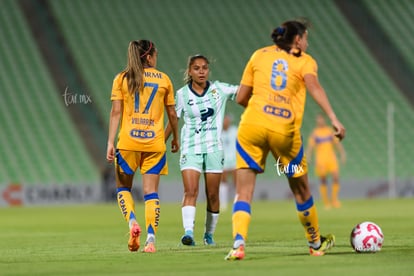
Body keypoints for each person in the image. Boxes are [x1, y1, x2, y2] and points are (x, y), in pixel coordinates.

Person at [225, 20, 346, 260]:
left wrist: (263, 108)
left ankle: (238, 243)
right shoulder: (304, 60)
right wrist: (333, 118)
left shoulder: (258, 55)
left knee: (244, 191)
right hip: (284, 132)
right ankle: (315, 243)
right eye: (306, 38)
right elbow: (314, 86)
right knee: (301, 189)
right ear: (298, 40)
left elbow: (240, 98)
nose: (307, 43)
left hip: (251, 127)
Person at [106, 40, 179, 253]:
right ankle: (150, 240)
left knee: (123, 189)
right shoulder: (164, 79)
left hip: (128, 143)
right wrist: (175, 138)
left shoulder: (121, 78)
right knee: (151, 193)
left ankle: (131, 222)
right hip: (155, 144)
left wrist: (111, 142)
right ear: (149, 57)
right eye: (155, 55)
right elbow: (173, 115)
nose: (156, 59)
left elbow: (116, 113)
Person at [166, 54, 238, 246]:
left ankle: (209, 235)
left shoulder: (219, 89)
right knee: (191, 190)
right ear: (189, 71)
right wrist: (165, 141)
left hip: (214, 148)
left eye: (204, 68)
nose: (201, 72)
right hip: (190, 147)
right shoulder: (182, 94)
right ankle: (188, 232)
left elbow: (242, 92)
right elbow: (174, 118)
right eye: (196, 68)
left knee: (213, 194)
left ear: (209, 70)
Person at [306, 114, 346, 209]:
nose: (320, 121)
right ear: (317, 121)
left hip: (331, 158)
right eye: (318, 120)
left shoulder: (329, 131)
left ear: (324, 120)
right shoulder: (315, 133)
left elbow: (337, 143)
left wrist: (342, 153)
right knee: (323, 180)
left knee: (336, 177)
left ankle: (334, 200)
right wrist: (308, 156)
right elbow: (310, 147)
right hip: (321, 160)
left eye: (321, 119)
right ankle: (326, 202)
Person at [219, 114, 238, 211]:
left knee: (236, 181)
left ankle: (237, 201)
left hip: (234, 159)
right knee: (223, 180)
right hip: (224, 159)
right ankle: (223, 203)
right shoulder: (219, 132)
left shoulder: (235, 130)